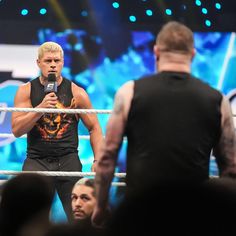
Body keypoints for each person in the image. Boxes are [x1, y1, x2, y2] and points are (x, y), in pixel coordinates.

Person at [91, 21, 236, 225]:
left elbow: (107, 157)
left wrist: (100, 205)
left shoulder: (129, 92)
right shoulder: (218, 100)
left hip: (140, 211)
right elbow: (230, 168)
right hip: (194, 213)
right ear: (193, 54)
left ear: (156, 51)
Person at [11, 41, 104, 221]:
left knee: (79, 215)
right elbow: (16, 130)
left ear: (62, 63)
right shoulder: (26, 91)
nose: (53, 65)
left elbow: (94, 127)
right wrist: (40, 109)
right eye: (48, 61)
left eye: (57, 60)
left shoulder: (77, 93)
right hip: (36, 160)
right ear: (38, 63)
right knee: (30, 218)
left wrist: (98, 160)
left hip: (68, 159)